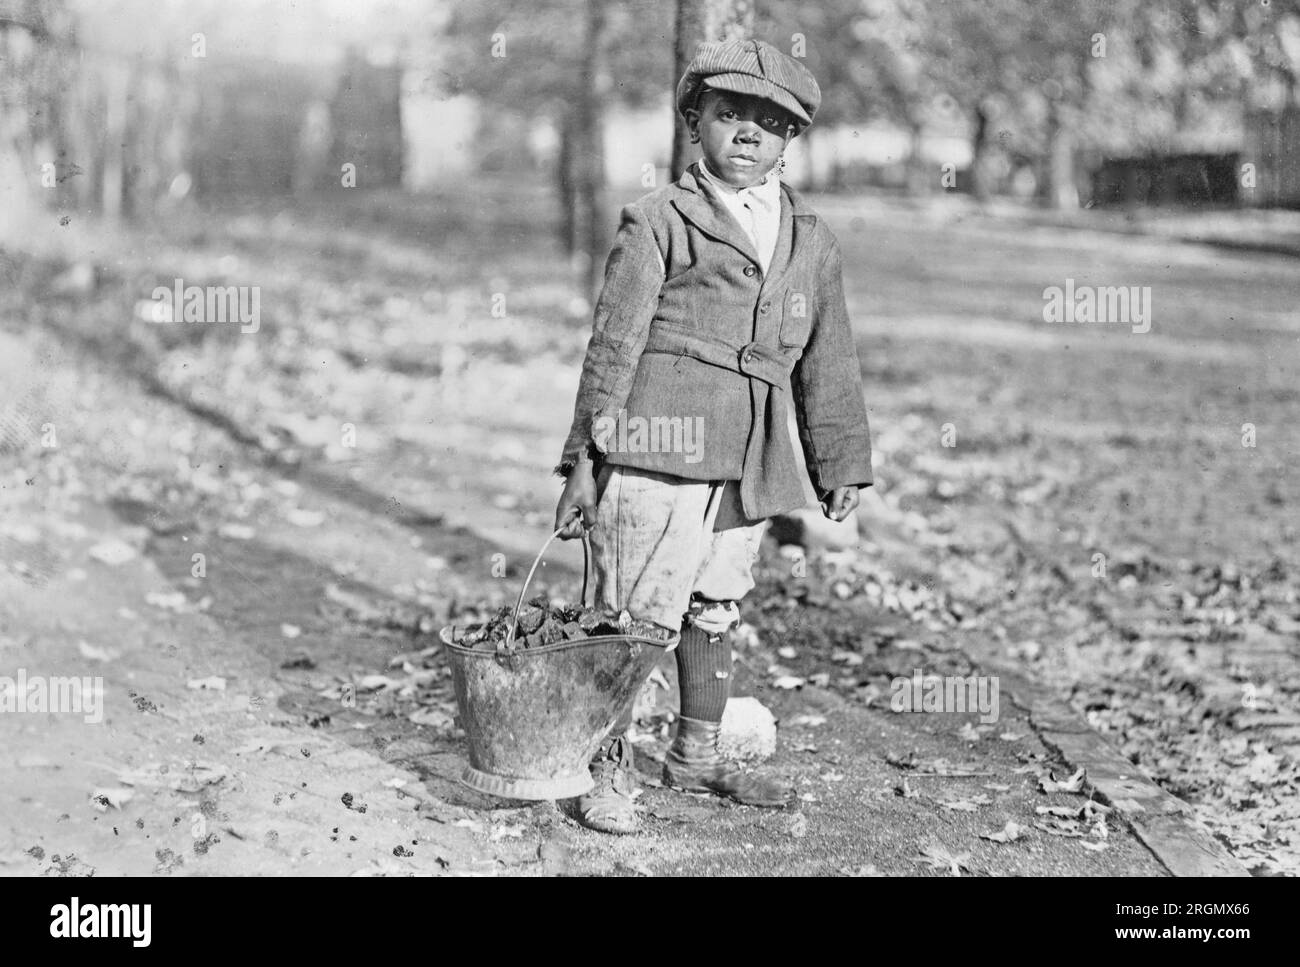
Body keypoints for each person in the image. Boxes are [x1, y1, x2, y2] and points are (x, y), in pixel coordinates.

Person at [553, 38, 873, 834]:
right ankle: (607, 764)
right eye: (729, 115)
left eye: (769, 123)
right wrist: (585, 461)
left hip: (751, 454)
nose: (747, 135)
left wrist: (840, 459)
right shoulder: (660, 219)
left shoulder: (811, 239)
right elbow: (614, 343)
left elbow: (827, 357)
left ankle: (694, 752)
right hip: (656, 447)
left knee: (715, 602)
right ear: (694, 121)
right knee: (629, 610)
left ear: (790, 140)